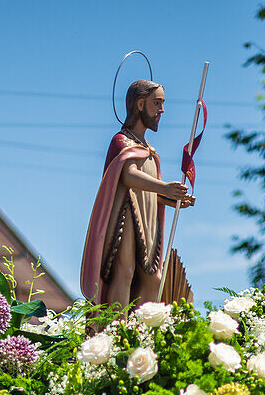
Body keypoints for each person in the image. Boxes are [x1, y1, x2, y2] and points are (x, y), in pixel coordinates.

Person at [80, 79, 194, 309]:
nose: (161, 110)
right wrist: (164, 188)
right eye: (157, 103)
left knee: (154, 278)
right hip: (125, 216)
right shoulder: (121, 142)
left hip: (148, 222)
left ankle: (141, 334)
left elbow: (150, 193)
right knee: (125, 271)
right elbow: (128, 176)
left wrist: (173, 197)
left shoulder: (150, 152)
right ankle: (116, 330)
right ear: (140, 104)